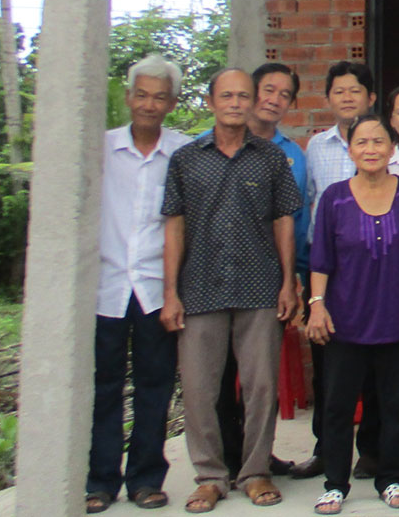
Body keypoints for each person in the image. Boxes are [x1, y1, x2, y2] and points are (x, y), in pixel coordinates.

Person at [160, 68, 302, 513]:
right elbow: (174, 226)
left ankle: (256, 471)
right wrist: (170, 292)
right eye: (228, 95)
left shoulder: (271, 159)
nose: (237, 103)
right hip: (200, 288)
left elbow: (284, 221)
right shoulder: (185, 160)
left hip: (260, 288)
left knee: (261, 387)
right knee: (200, 389)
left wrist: (287, 282)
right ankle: (210, 476)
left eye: (244, 95)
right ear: (211, 102)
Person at [306, 114, 399, 512]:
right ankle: (335, 482)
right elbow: (321, 259)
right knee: (339, 405)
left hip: (398, 316)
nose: (371, 149)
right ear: (351, 151)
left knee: (395, 403)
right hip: (345, 321)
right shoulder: (334, 198)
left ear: (392, 148)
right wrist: (316, 306)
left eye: (379, 141)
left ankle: (392, 477)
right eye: (362, 142)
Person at [86, 56, 191, 514]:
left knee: (155, 385)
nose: (150, 104)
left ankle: (146, 478)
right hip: (104, 287)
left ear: (172, 103)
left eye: (160, 96)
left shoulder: (183, 152)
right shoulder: (100, 149)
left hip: (158, 288)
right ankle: (99, 480)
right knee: (103, 386)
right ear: (129, 97)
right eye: (142, 94)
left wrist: (176, 291)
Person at [217, 62, 308, 481]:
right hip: (213, 281)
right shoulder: (205, 147)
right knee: (218, 380)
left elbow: (294, 219)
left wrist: (295, 277)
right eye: (268, 90)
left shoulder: (292, 155)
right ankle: (223, 460)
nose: (274, 100)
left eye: (284, 94)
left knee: (260, 379)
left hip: (267, 281)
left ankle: (257, 460)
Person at [293, 62, 378, 481]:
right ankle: (327, 450)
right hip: (327, 271)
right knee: (329, 368)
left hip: (376, 272)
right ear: (329, 99)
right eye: (339, 91)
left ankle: (373, 452)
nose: (347, 98)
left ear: (371, 99)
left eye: (355, 91)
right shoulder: (316, 147)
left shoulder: (385, 146)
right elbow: (310, 205)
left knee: (376, 367)